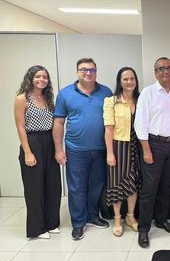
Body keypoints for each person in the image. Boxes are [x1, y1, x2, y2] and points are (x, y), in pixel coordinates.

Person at [53, 58, 112, 240]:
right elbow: (59, 122)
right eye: (84, 69)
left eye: (92, 69)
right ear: (77, 72)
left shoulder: (106, 92)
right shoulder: (65, 94)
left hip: (101, 149)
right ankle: (78, 223)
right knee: (77, 187)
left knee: (96, 186)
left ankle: (93, 216)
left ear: (96, 71)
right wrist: (59, 150)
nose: (88, 73)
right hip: (76, 150)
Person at [134, 57, 170, 248]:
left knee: (166, 186)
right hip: (153, 145)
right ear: (155, 72)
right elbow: (140, 124)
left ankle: (161, 220)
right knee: (149, 190)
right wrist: (146, 150)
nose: (166, 71)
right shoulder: (148, 93)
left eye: (169, 68)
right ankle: (143, 229)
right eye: (161, 68)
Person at [14, 65, 61, 239]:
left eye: (45, 77)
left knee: (53, 185)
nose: (42, 79)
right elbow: (20, 126)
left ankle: (51, 223)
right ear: (30, 78)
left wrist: (57, 149)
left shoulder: (48, 98)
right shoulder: (22, 99)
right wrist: (27, 151)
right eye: (38, 76)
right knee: (35, 188)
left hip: (49, 141)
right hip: (32, 142)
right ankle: (38, 228)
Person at [103, 67, 142, 237]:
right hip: (119, 147)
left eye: (132, 78)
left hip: (137, 146)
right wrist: (110, 153)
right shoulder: (111, 101)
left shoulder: (141, 100)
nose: (129, 82)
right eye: (125, 79)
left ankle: (130, 217)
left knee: (133, 183)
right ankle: (117, 219)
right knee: (116, 184)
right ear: (120, 81)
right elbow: (108, 129)